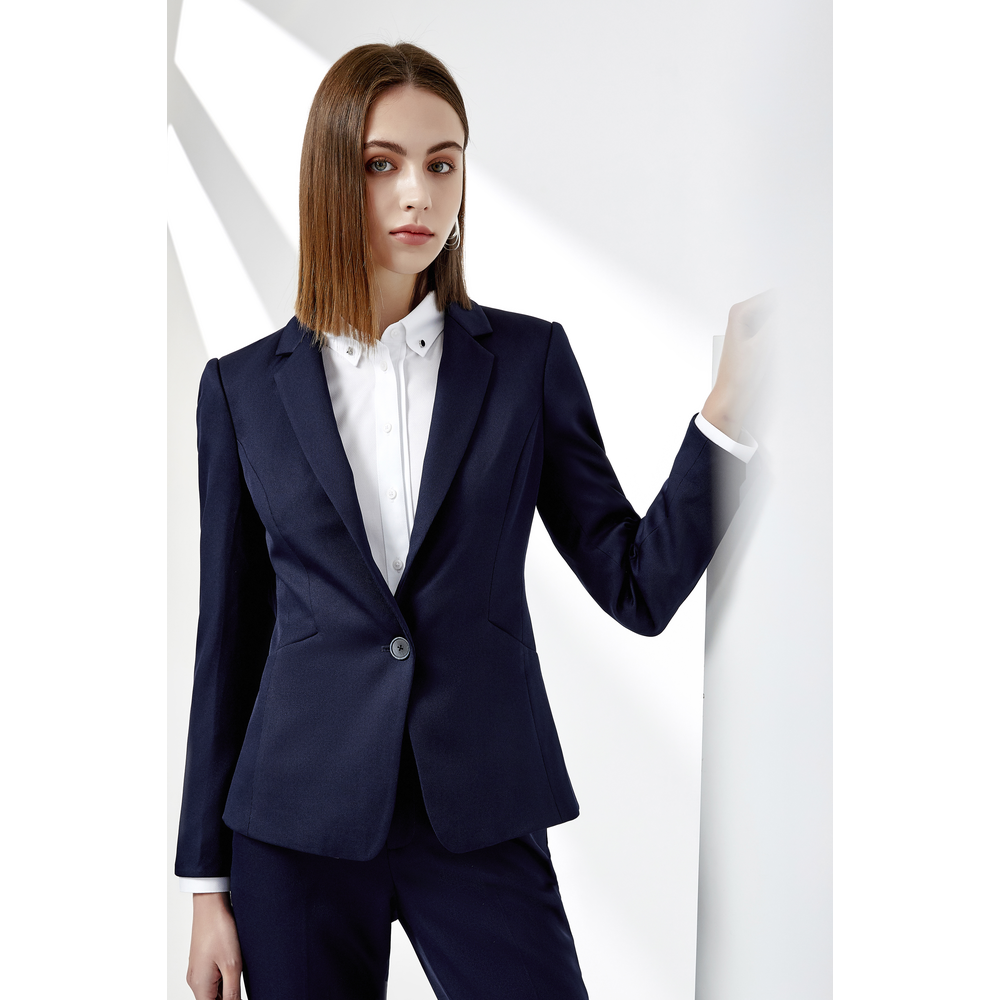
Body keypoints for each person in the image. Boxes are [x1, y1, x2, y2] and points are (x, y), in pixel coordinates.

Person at [175, 41, 766, 1000]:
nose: (419, 193)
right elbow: (228, 642)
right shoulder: (241, 392)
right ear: (330, 176)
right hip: (294, 832)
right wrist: (207, 885)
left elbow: (635, 584)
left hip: (480, 811)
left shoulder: (528, 365)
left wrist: (727, 416)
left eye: (441, 163)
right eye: (382, 164)